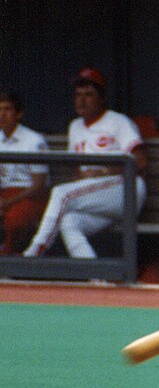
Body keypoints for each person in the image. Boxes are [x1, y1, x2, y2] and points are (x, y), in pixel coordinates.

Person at [23, 68, 147, 259]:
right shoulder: (75, 126)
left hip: (127, 189)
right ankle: (96, 277)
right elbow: (76, 169)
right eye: (78, 95)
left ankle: (34, 252)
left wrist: (102, 172)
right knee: (69, 221)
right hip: (98, 197)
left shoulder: (118, 121)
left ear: (101, 98)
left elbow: (140, 162)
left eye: (89, 95)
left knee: (60, 193)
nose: (82, 100)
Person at [0, 91, 49, 254]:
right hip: (4, 194)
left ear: (19, 114)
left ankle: (8, 261)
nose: (2, 114)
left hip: (29, 196)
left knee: (14, 219)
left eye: (7, 109)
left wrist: (8, 202)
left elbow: (39, 185)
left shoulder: (34, 140)